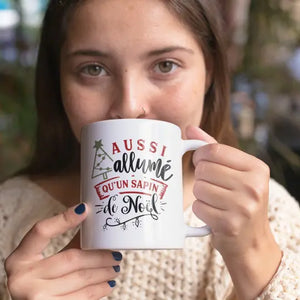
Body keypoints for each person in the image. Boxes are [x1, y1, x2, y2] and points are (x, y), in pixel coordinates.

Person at [1, 0, 300, 299]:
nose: (130, 106)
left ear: (208, 72)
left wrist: (256, 260)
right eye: (93, 69)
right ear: (58, 82)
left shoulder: (274, 217)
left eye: (165, 65)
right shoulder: (8, 216)